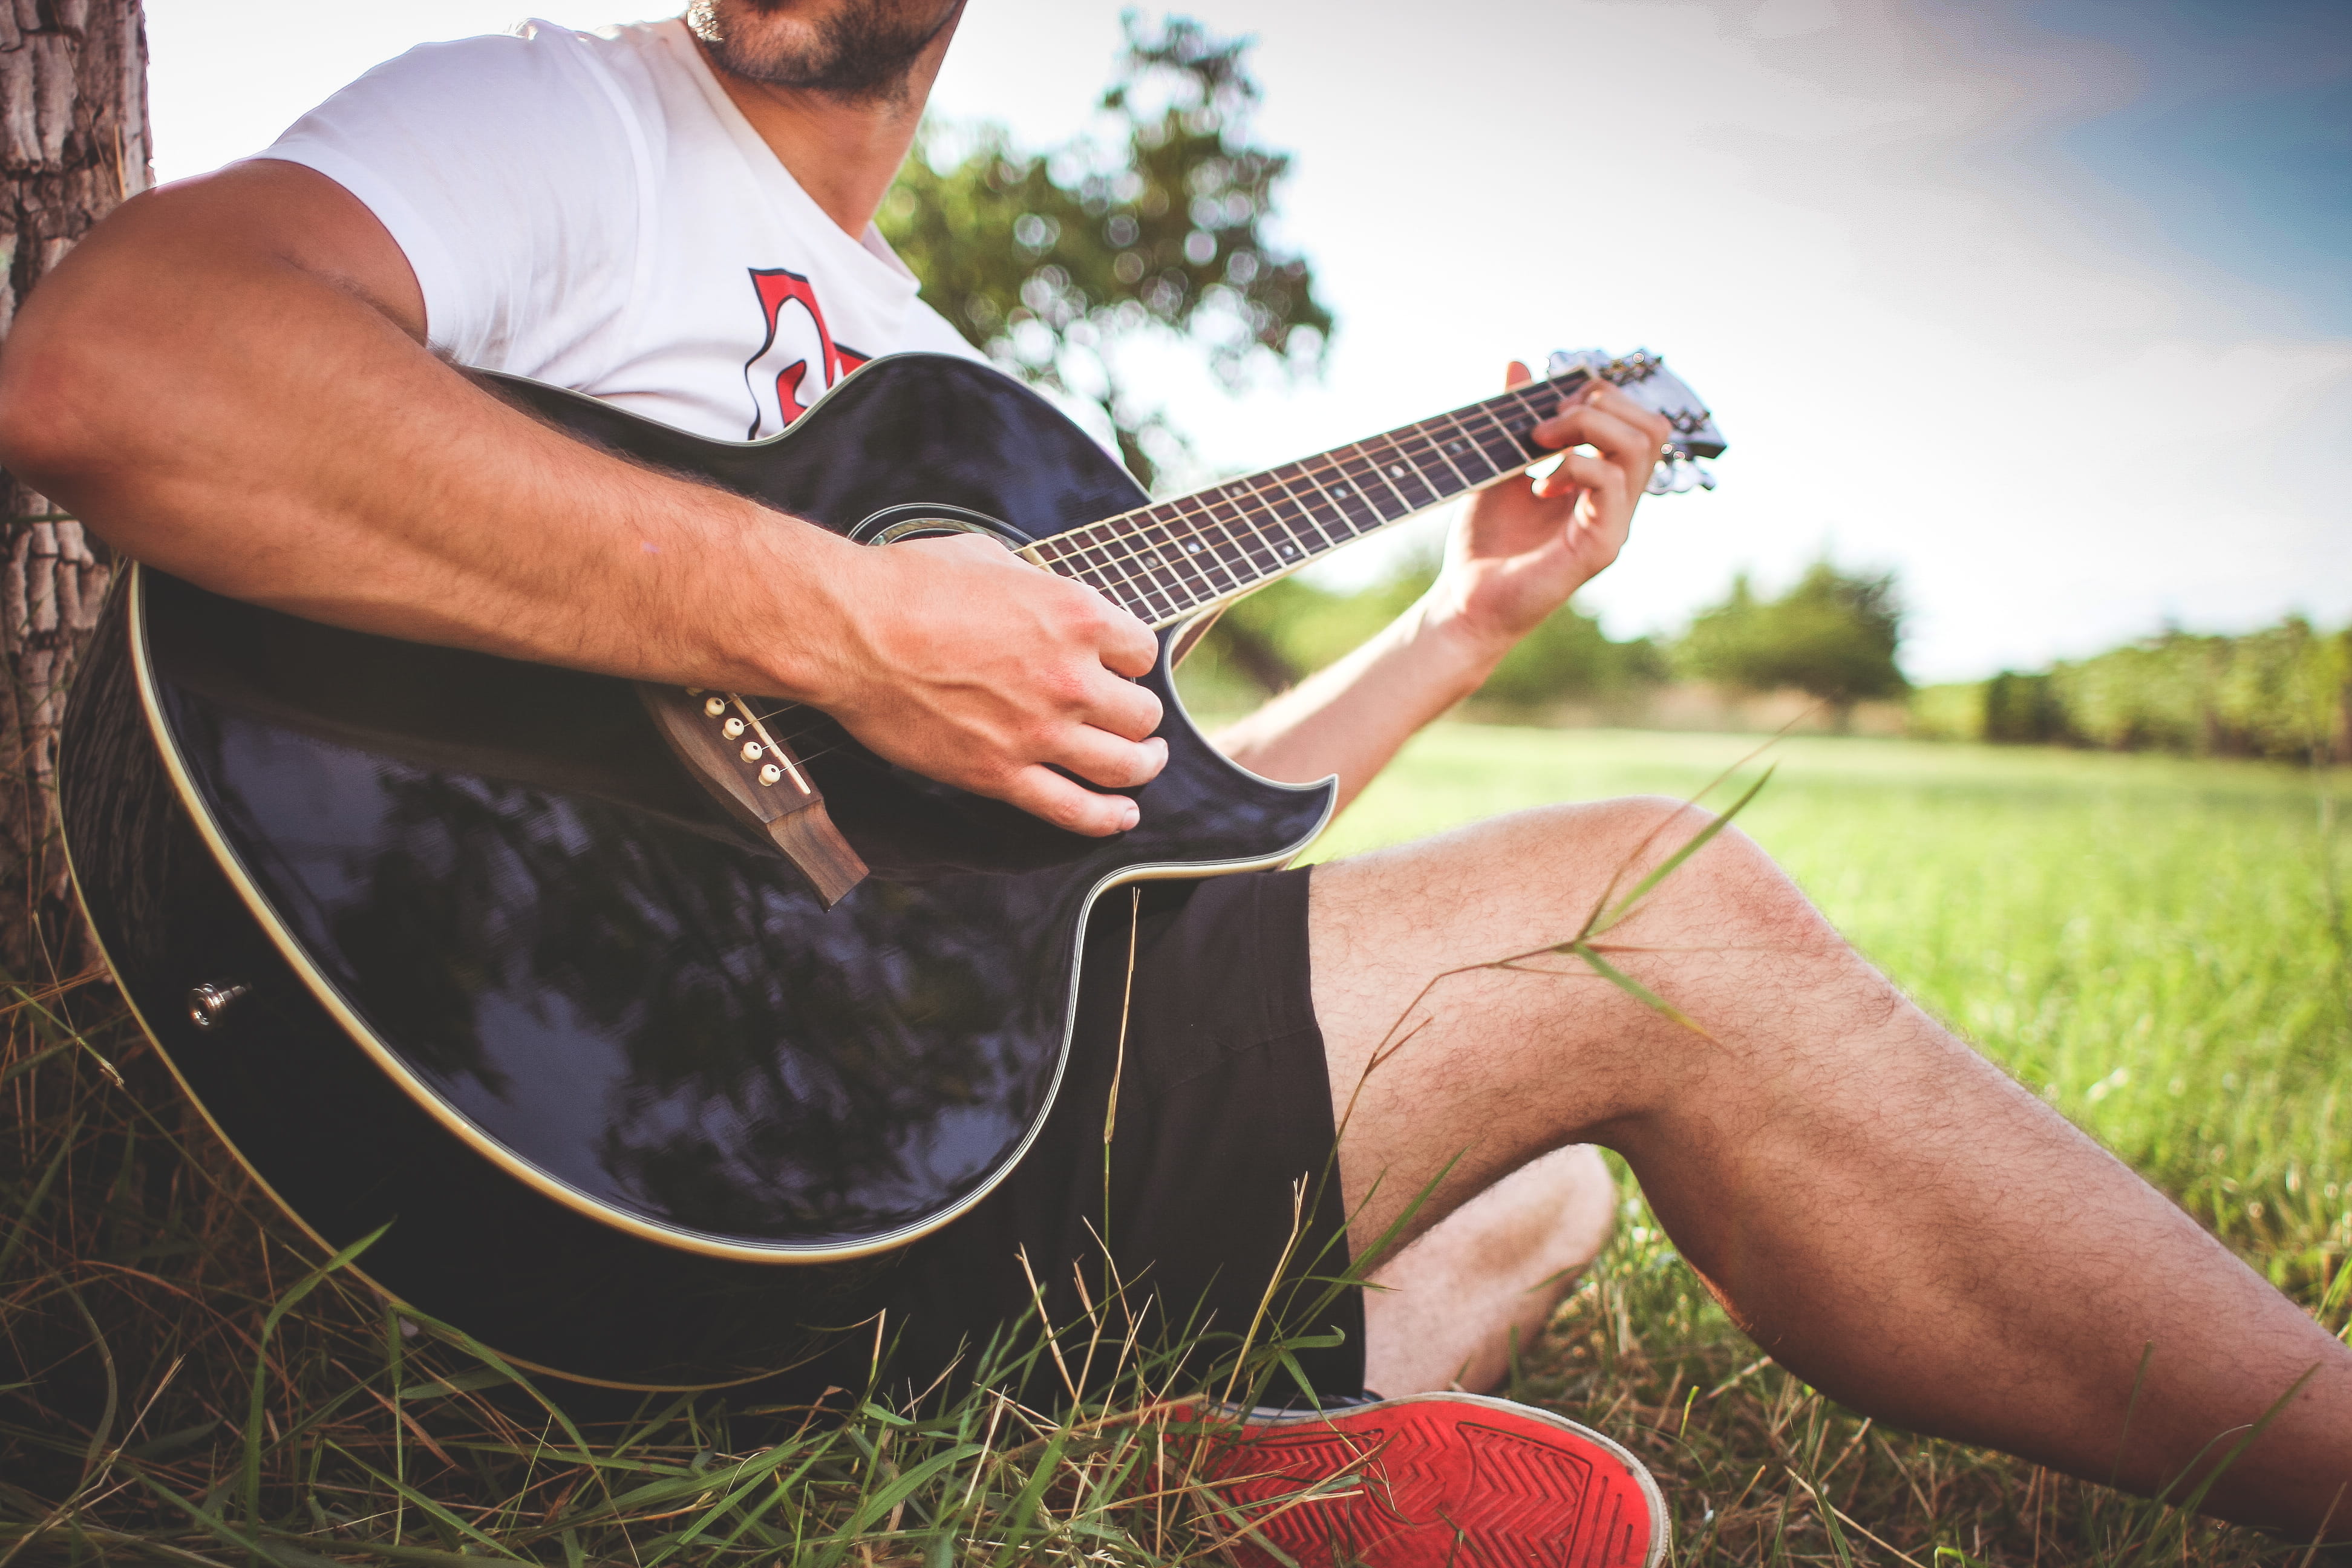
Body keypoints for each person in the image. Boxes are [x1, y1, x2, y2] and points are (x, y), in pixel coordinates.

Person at [1, 1, 2346, 1560]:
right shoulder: (563, 121)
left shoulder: (957, 398)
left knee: (1539, 1200)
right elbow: (125, 363)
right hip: (587, 1094)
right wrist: (837, 624)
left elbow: (1137, 877)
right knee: (1656, 901)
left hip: (898, 1138)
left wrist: (1463, 629)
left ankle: (1135, 1483)